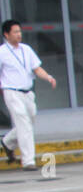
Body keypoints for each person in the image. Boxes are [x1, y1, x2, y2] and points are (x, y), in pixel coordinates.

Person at [0, 18, 58, 171]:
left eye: (20, 31)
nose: (19, 34)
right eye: (15, 32)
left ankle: (7, 142)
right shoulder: (2, 52)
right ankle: (28, 161)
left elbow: (37, 68)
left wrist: (48, 77)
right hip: (11, 92)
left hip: (27, 93)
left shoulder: (26, 49)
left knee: (29, 120)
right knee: (24, 123)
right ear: (6, 35)